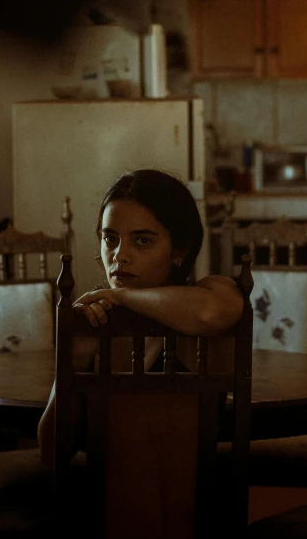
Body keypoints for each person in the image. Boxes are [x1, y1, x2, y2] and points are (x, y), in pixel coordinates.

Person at [37, 168, 243, 465]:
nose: (120, 256)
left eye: (142, 241)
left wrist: (122, 295)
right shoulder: (98, 319)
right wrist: (72, 365)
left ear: (179, 251)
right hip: (107, 505)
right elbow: (51, 450)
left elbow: (209, 314)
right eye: (110, 240)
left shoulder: (212, 292)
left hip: (194, 504)